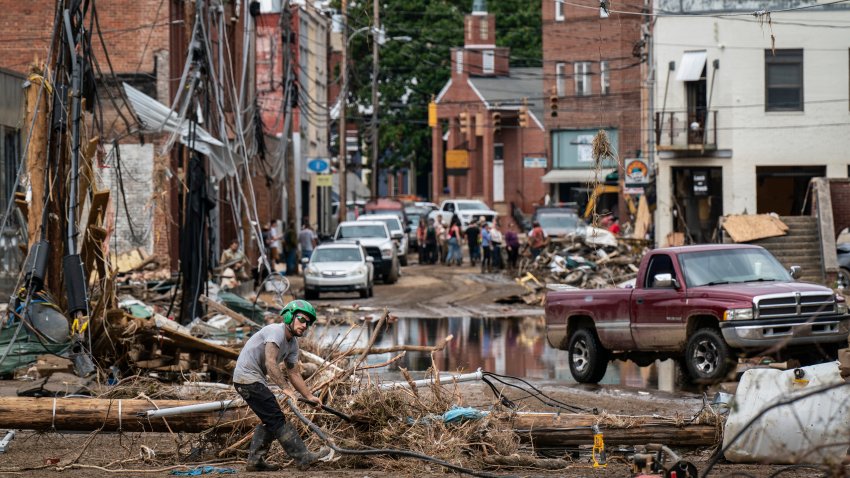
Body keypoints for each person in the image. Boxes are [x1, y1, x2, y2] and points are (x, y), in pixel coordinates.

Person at [233, 300, 330, 471]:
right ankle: (302, 456)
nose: (304, 325)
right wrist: (285, 388)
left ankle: (255, 461)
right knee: (276, 418)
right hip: (246, 379)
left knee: (270, 418)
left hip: (254, 380)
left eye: (308, 323)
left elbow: (293, 373)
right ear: (289, 316)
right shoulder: (275, 332)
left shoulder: (293, 343)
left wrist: (309, 396)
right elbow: (271, 363)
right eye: (301, 319)